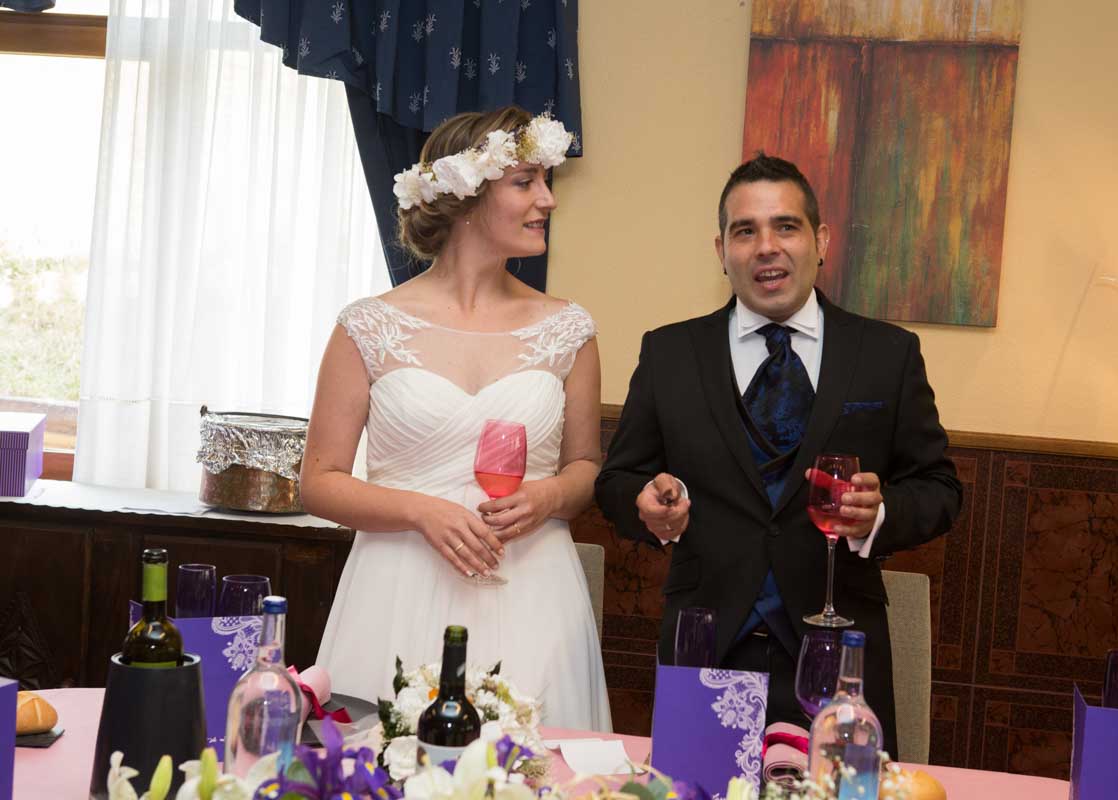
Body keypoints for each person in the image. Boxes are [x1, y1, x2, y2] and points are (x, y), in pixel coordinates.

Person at [594, 153, 961, 752]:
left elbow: (940, 488)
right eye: (746, 231)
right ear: (722, 251)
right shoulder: (670, 354)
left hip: (840, 656)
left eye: (786, 226)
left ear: (821, 241)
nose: (766, 247)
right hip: (706, 646)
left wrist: (879, 514)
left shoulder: (887, 354)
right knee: (697, 791)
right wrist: (647, 504)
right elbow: (617, 480)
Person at [303, 106, 611, 731]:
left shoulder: (569, 328)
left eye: (545, 181)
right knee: (384, 762)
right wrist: (423, 511)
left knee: (529, 766)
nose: (548, 199)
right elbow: (319, 481)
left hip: (532, 592)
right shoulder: (368, 326)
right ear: (468, 197)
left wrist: (549, 496)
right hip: (394, 590)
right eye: (526, 182)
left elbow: (585, 466)